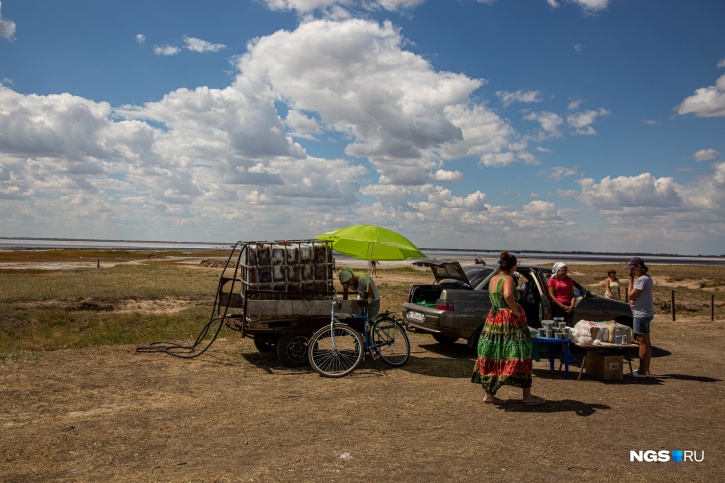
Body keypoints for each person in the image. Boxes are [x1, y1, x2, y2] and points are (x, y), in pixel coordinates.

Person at [471, 251, 545, 406]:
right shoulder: (508, 278)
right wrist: (515, 311)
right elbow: (508, 295)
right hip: (509, 321)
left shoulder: (493, 279)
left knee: (495, 352)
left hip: (494, 319)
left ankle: (489, 394)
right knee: (521, 352)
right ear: (513, 266)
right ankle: (527, 396)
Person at [626, 257, 654, 377]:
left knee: (641, 342)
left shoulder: (641, 280)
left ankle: (642, 370)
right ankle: (646, 368)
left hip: (641, 314)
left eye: (633, 269)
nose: (632, 271)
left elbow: (631, 296)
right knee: (647, 342)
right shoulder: (648, 278)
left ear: (638, 267)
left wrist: (631, 281)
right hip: (647, 313)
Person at [547, 262, 575, 327]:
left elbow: (572, 295)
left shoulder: (569, 280)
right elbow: (552, 295)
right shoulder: (552, 280)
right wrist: (562, 306)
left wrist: (572, 306)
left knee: (568, 327)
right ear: (557, 270)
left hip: (568, 307)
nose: (564, 272)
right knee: (558, 327)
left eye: (566, 271)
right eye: (563, 270)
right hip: (557, 307)